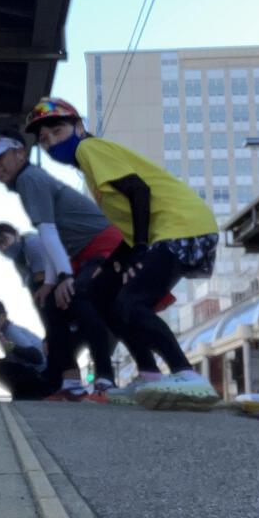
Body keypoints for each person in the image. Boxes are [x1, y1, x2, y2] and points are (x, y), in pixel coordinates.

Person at [23, 97, 220, 410]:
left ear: (79, 127)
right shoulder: (89, 165)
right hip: (169, 230)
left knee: (132, 300)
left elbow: (139, 191)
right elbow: (132, 220)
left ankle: (186, 374)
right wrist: (121, 260)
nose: (52, 143)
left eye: (57, 132)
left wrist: (140, 249)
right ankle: (149, 375)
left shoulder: (90, 149)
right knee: (99, 292)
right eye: (45, 141)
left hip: (183, 226)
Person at [0, 136, 154, 404]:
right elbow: (50, 235)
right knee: (50, 303)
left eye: (0, 157)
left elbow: (46, 232)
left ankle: (104, 380)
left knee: (81, 299)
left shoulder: (29, 179)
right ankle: (71, 382)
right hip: (80, 253)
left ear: (20, 153)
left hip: (104, 246)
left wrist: (64, 277)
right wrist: (50, 283)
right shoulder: (26, 184)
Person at [0, 221, 108, 402]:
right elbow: (37, 291)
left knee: (85, 337)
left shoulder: (33, 244)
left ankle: (98, 387)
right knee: (66, 343)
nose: (4, 247)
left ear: (16, 234)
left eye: (4, 240)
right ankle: (71, 388)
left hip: (72, 294)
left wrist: (12, 344)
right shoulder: (20, 259)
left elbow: (43, 287)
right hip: (59, 300)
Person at [0, 299, 48, 401]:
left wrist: (8, 345)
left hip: (42, 375)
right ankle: (21, 395)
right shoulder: (2, 333)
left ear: (5, 315)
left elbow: (37, 357)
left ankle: (26, 396)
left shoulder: (11, 331)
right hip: (35, 373)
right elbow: (14, 358)